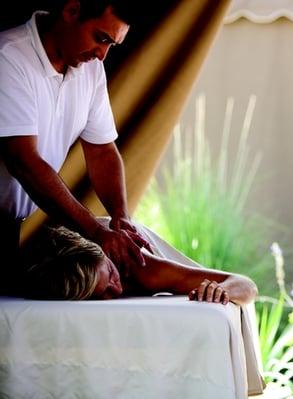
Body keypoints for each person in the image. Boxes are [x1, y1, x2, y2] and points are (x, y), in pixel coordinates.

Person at [0, 0, 148, 291]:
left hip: (9, 228)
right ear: (70, 12)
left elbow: (102, 151)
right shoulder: (8, 57)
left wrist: (121, 217)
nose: (102, 55)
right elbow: (23, 161)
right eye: (101, 38)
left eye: (111, 45)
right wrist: (95, 231)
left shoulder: (91, 70)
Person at [23, 225, 258, 303]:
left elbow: (246, 285)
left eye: (112, 276)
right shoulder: (51, 278)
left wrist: (221, 290)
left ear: (108, 257)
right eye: (102, 293)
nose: (117, 290)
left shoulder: (142, 269)